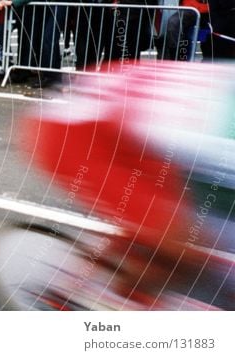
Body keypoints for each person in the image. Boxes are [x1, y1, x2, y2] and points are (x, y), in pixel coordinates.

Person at [21, 61, 235, 309]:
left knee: (171, 234)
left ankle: (117, 279)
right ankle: (108, 301)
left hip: (108, 122)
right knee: (181, 243)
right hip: (82, 135)